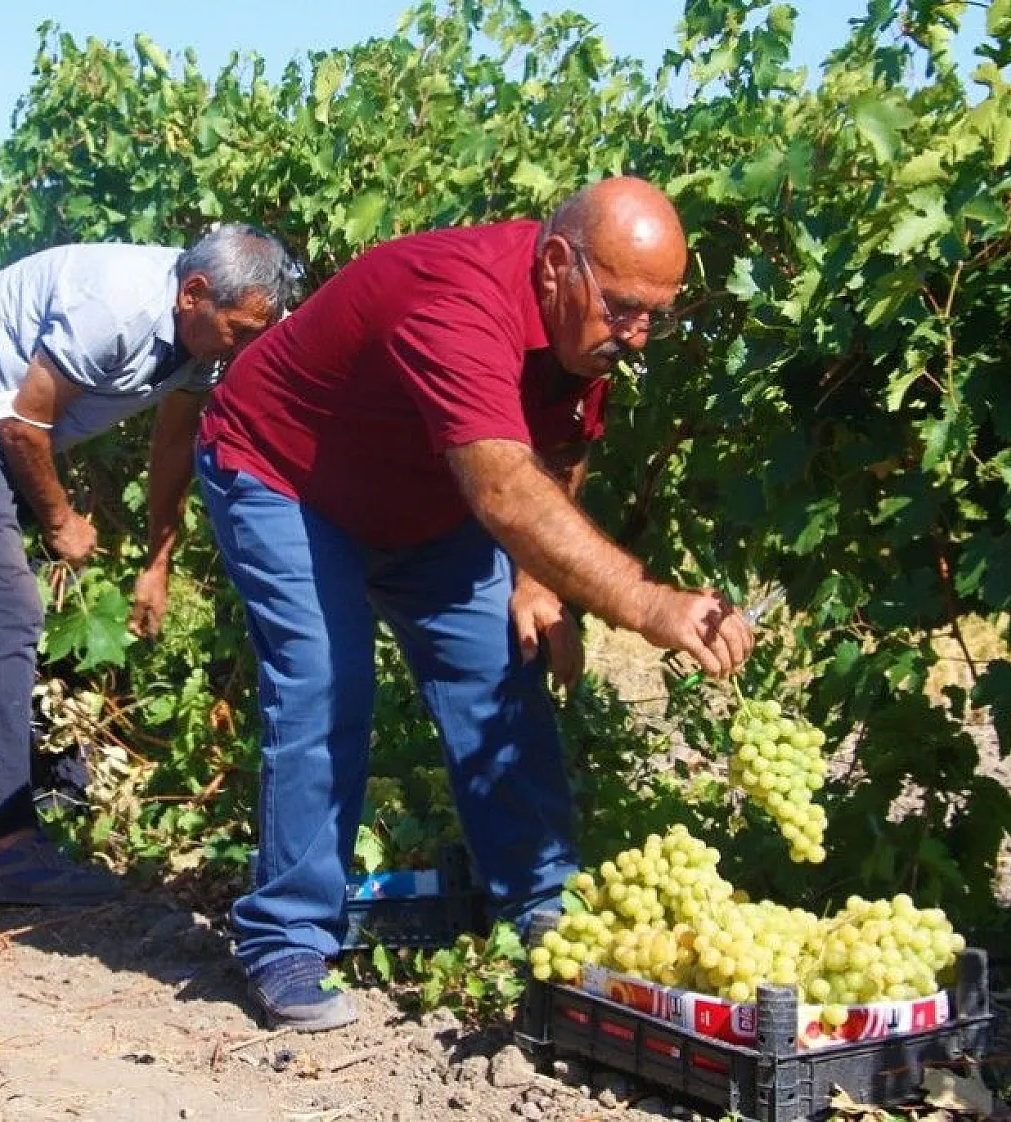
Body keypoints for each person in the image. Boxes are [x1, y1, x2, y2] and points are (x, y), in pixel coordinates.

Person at [195, 177, 759, 1031]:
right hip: (286, 479)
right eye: (627, 308)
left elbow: (560, 451)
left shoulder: (587, 335)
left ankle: (541, 904)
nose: (640, 335)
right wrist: (645, 603)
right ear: (560, 265)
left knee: (502, 668)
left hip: (424, 505)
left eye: (660, 316)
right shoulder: (457, 298)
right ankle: (286, 939)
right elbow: (502, 489)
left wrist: (537, 584)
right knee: (325, 683)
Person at [0, 223, 299, 908]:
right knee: (9, 612)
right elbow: (22, 423)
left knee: (22, 609)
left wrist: (158, 560)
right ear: (195, 294)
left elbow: (173, 444)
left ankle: (37, 803)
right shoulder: (115, 306)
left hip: (1, 432)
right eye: (243, 330)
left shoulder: (203, 342)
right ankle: (4, 852)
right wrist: (60, 520)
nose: (249, 346)